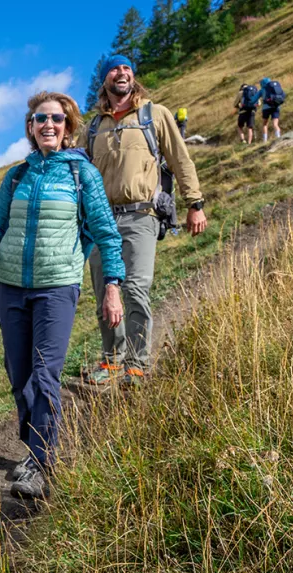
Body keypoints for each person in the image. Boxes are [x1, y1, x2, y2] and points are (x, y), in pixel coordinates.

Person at [0, 91, 125, 499]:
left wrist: (113, 287)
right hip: (12, 289)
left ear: (68, 127)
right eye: (39, 119)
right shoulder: (16, 176)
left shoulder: (80, 174)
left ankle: (41, 462)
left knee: (44, 374)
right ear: (30, 128)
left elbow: (106, 232)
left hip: (56, 288)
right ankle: (37, 448)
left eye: (55, 118)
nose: (47, 125)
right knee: (20, 377)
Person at [84, 55, 206, 388]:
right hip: (101, 221)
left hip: (141, 215)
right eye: (113, 68)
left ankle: (137, 364)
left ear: (133, 76)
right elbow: (78, 172)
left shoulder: (156, 114)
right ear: (105, 80)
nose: (121, 72)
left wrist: (195, 202)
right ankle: (112, 360)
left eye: (126, 68)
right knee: (104, 293)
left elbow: (180, 159)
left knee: (136, 288)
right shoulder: (94, 126)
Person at [257, 76, 284, 142]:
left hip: (266, 108)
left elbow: (253, 100)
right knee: (275, 124)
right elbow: (282, 94)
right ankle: (278, 137)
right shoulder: (275, 87)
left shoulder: (262, 90)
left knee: (265, 124)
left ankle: (265, 140)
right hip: (276, 106)